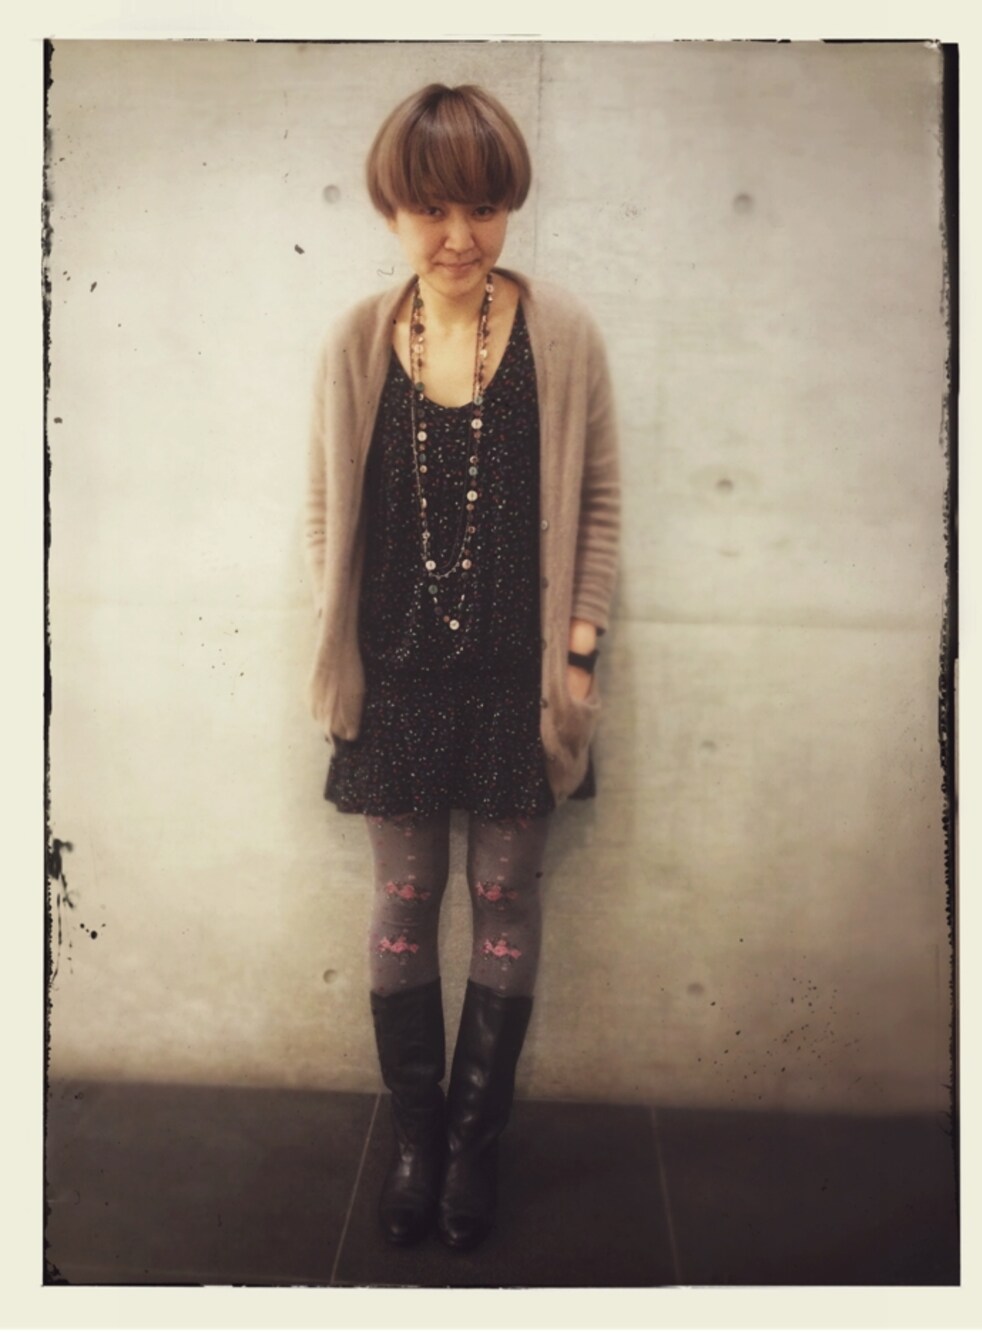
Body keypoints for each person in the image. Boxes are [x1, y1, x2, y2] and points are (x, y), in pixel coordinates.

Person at [304, 83, 620, 1251]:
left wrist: (577, 657)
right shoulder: (356, 339)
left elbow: (598, 505)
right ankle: (416, 1138)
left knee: (504, 899)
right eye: (431, 209)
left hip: (513, 683)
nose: (457, 236)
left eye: (482, 207)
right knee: (401, 903)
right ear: (391, 209)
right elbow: (323, 513)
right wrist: (336, 645)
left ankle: (474, 1147)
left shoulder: (562, 335)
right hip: (393, 680)